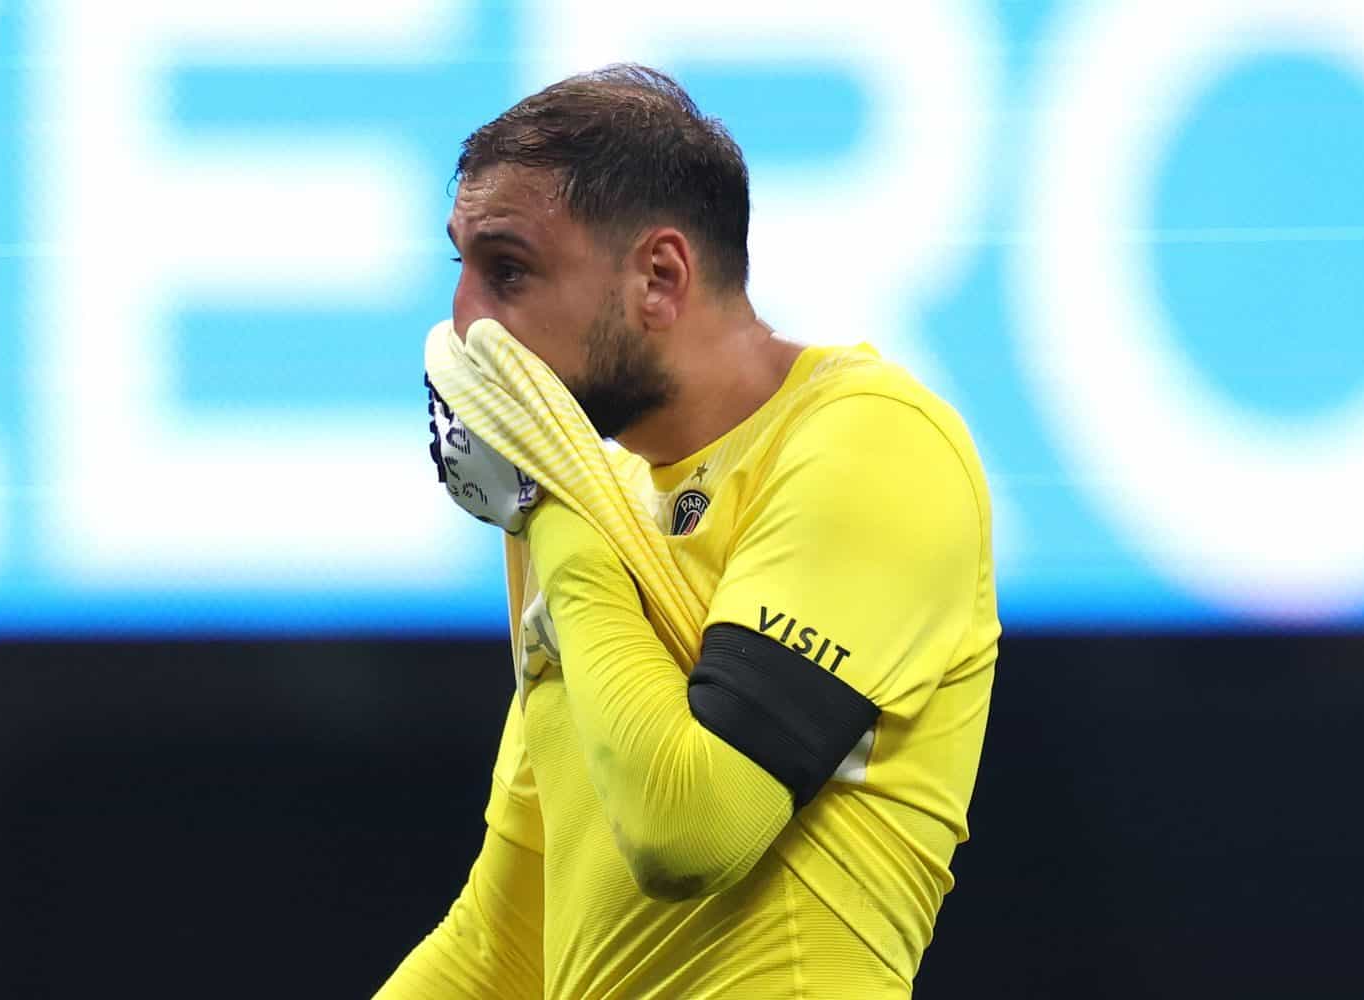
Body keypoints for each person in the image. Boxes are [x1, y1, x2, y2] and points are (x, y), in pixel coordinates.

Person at [374, 64, 999, 999]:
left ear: (659, 278)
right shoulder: (589, 503)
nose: (466, 320)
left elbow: (693, 829)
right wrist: (565, 503)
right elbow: (504, 945)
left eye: (508, 270)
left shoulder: (875, 444)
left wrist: (555, 502)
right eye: (458, 268)